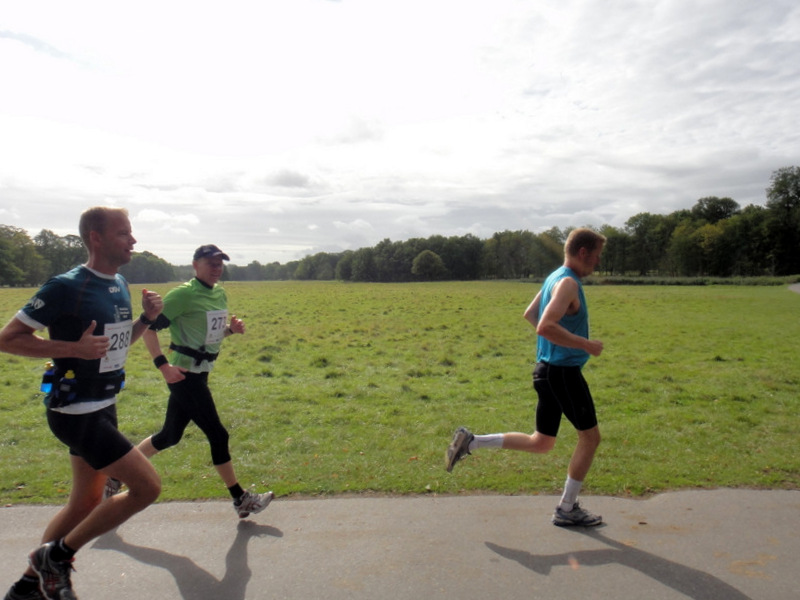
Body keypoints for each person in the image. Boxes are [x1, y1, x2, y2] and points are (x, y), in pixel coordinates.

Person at [0, 207, 163, 600]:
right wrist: (72, 348)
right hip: (76, 413)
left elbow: (117, 345)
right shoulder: (66, 286)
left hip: (103, 405)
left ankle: (28, 587)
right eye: (124, 233)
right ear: (96, 237)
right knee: (147, 487)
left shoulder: (121, 283)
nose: (133, 240)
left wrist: (146, 319)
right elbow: (8, 338)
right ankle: (57, 558)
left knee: (86, 502)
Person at [446, 227, 606, 527]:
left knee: (542, 442)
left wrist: (557, 342)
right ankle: (567, 508)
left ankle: (472, 442)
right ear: (582, 253)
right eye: (596, 257)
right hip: (562, 373)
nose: (597, 263)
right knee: (590, 438)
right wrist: (585, 345)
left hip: (545, 370)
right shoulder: (568, 283)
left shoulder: (553, 278)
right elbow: (543, 325)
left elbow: (530, 314)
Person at [117, 244, 273, 519]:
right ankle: (240, 498)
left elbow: (208, 336)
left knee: (169, 436)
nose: (217, 268)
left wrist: (230, 330)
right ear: (195, 265)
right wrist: (162, 366)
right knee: (218, 434)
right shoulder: (183, 295)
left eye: (220, 263)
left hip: (201, 372)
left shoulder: (219, 293)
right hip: (183, 375)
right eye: (211, 263)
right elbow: (148, 330)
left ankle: (115, 476)